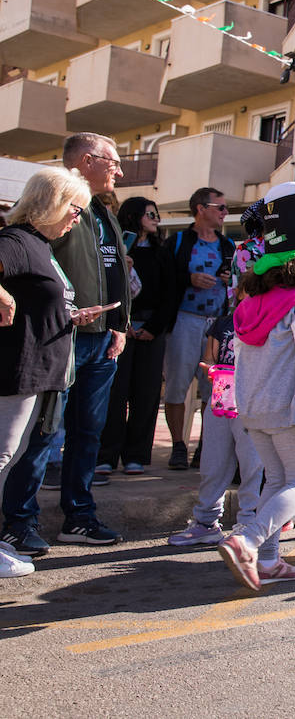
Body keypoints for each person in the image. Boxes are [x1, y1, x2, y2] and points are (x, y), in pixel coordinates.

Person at [3, 133, 131, 552]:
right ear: (87, 161)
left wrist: (120, 324)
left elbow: (115, 275)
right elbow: (32, 270)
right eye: (113, 163)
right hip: (61, 341)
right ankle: (19, 521)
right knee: (42, 433)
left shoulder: (102, 213)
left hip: (101, 338)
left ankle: (79, 516)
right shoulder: (54, 211)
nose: (120, 171)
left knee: (87, 434)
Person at [217, 182, 295, 591]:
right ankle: (248, 542)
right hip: (291, 409)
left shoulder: (250, 303)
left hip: (253, 409)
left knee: (276, 480)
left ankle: (267, 560)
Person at [0, 169, 107, 574]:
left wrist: (70, 315)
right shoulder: (17, 241)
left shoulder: (40, 246)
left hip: (38, 373)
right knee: (1, 457)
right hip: (15, 371)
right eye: (75, 209)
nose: (76, 219)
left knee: (8, 459)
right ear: (52, 203)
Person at [166, 285, 266, 549]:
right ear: (239, 294)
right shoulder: (223, 323)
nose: (253, 298)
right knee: (213, 462)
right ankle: (206, 521)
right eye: (249, 292)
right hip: (221, 399)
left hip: (251, 403)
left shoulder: (269, 323)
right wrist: (211, 369)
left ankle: (248, 523)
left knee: (252, 464)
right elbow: (210, 358)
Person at [99, 198, 176, 475]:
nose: (156, 218)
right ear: (133, 216)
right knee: (114, 394)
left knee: (146, 395)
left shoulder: (163, 251)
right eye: (150, 214)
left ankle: (137, 455)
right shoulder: (114, 247)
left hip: (152, 330)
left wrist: (154, 328)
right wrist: (123, 323)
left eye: (157, 213)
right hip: (120, 328)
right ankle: (105, 455)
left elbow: (170, 293)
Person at [162, 186, 235, 471]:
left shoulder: (227, 245)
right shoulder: (179, 241)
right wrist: (188, 278)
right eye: (220, 207)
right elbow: (165, 278)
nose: (224, 213)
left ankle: (205, 446)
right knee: (177, 385)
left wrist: (228, 278)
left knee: (213, 388)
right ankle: (178, 446)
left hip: (216, 323)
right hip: (184, 318)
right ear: (201, 209)